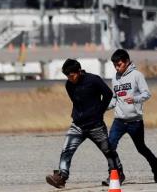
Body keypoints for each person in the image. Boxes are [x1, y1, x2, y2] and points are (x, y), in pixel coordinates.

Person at [46, 59, 123, 189]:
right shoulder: (68, 85)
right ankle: (61, 177)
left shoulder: (94, 80)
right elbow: (76, 102)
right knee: (66, 150)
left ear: (79, 72)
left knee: (108, 150)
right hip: (77, 125)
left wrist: (99, 111)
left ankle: (117, 174)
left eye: (71, 75)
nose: (69, 79)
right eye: (67, 76)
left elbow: (108, 94)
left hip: (95, 125)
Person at [105, 49, 157, 185]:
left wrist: (135, 99)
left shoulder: (137, 75)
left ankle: (156, 165)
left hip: (134, 121)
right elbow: (115, 98)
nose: (117, 68)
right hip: (119, 120)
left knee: (141, 148)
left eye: (119, 65)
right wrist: (103, 107)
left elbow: (147, 94)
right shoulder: (115, 78)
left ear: (126, 62)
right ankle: (116, 173)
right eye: (114, 66)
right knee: (109, 147)